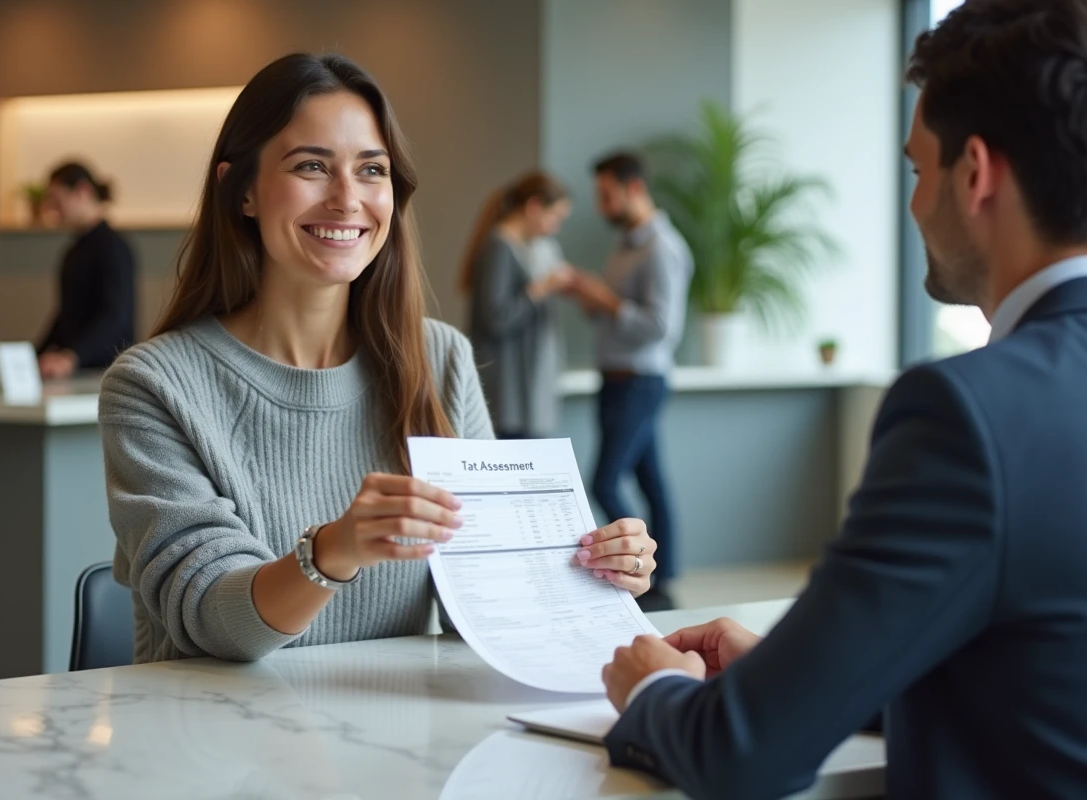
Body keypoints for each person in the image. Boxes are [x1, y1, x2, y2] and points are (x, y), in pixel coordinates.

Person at [601, 2, 1087, 796]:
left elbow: (744, 755)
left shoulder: (966, 415)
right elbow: (1045, 676)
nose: (914, 203)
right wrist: (807, 679)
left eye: (918, 170)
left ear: (976, 175)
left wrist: (655, 689)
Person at [98, 53, 658, 665]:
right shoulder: (152, 385)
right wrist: (333, 551)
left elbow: (490, 601)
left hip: (388, 742)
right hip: (209, 745)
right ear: (244, 192)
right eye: (311, 166)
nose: (347, 199)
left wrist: (591, 570)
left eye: (371, 170)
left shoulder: (440, 359)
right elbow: (213, 619)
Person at [562, 152, 692, 612]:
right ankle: (665, 580)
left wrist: (607, 301)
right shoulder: (625, 245)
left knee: (604, 481)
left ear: (633, 188)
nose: (601, 207)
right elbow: (618, 312)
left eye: (606, 195)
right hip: (616, 380)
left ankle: (639, 571)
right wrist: (593, 297)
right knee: (651, 480)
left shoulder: (664, 248)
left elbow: (662, 328)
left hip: (640, 380)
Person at [461, 171, 575, 439]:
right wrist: (541, 289)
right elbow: (495, 318)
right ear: (534, 207)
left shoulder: (519, 247)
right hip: (506, 394)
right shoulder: (499, 248)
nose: (556, 227)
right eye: (555, 217)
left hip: (519, 396)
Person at [36, 161, 136, 379]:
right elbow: (67, 315)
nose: (53, 211)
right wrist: (34, 356)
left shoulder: (113, 248)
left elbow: (115, 317)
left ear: (83, 191)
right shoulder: (74, 251)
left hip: (107, 375)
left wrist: (72, 357)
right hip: (78, 372)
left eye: (57, 200)